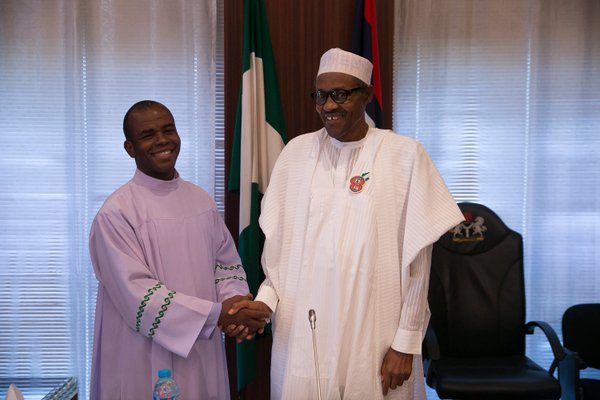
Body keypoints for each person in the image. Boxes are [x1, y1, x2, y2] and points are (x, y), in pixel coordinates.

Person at [229, 48, 465, 399]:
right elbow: (278, 253)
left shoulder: (404, 155)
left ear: (366, 95)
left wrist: (405, 342)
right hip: (303, 335)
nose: (328, 105)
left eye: (340, 94)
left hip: (375, 334)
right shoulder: (295, 154)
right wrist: (265, 302)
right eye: (321, 95)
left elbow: (418, 262)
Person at [89, 100, 269, 399]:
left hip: (200, 350)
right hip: (141, 355)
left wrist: (235, 304)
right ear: (130, 148)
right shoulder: (116, 214)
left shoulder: (201, 201)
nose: (162, 140)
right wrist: (217, 316)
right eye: (148, 135)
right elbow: (137, 295)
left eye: (168, 130)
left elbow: (225, 267)